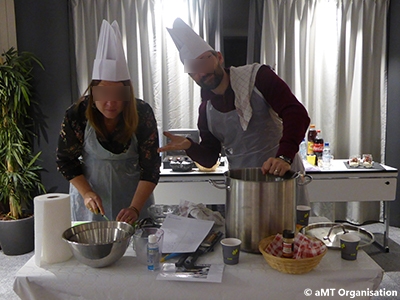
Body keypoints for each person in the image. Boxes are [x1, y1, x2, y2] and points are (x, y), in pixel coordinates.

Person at [159, 18, 310, 181]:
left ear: (219, 57)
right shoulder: (206, 110)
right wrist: (189, 146)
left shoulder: (258, 77)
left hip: (282, 175)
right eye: (193, 69)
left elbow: (296, 114)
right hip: (242, 184)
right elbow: (210, 159)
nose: (201, 73)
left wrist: (284, 157)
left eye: (204, 61)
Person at [56, 20, 160, 224]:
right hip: (91, 200)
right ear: (93, 91)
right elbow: (65, 161)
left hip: (134, 197)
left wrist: (135, 207)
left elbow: (151, 167)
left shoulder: (142, 112)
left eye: (118, 94)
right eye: (103, 92)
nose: (111, 102)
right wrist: (86, 192)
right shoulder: (77, 114)